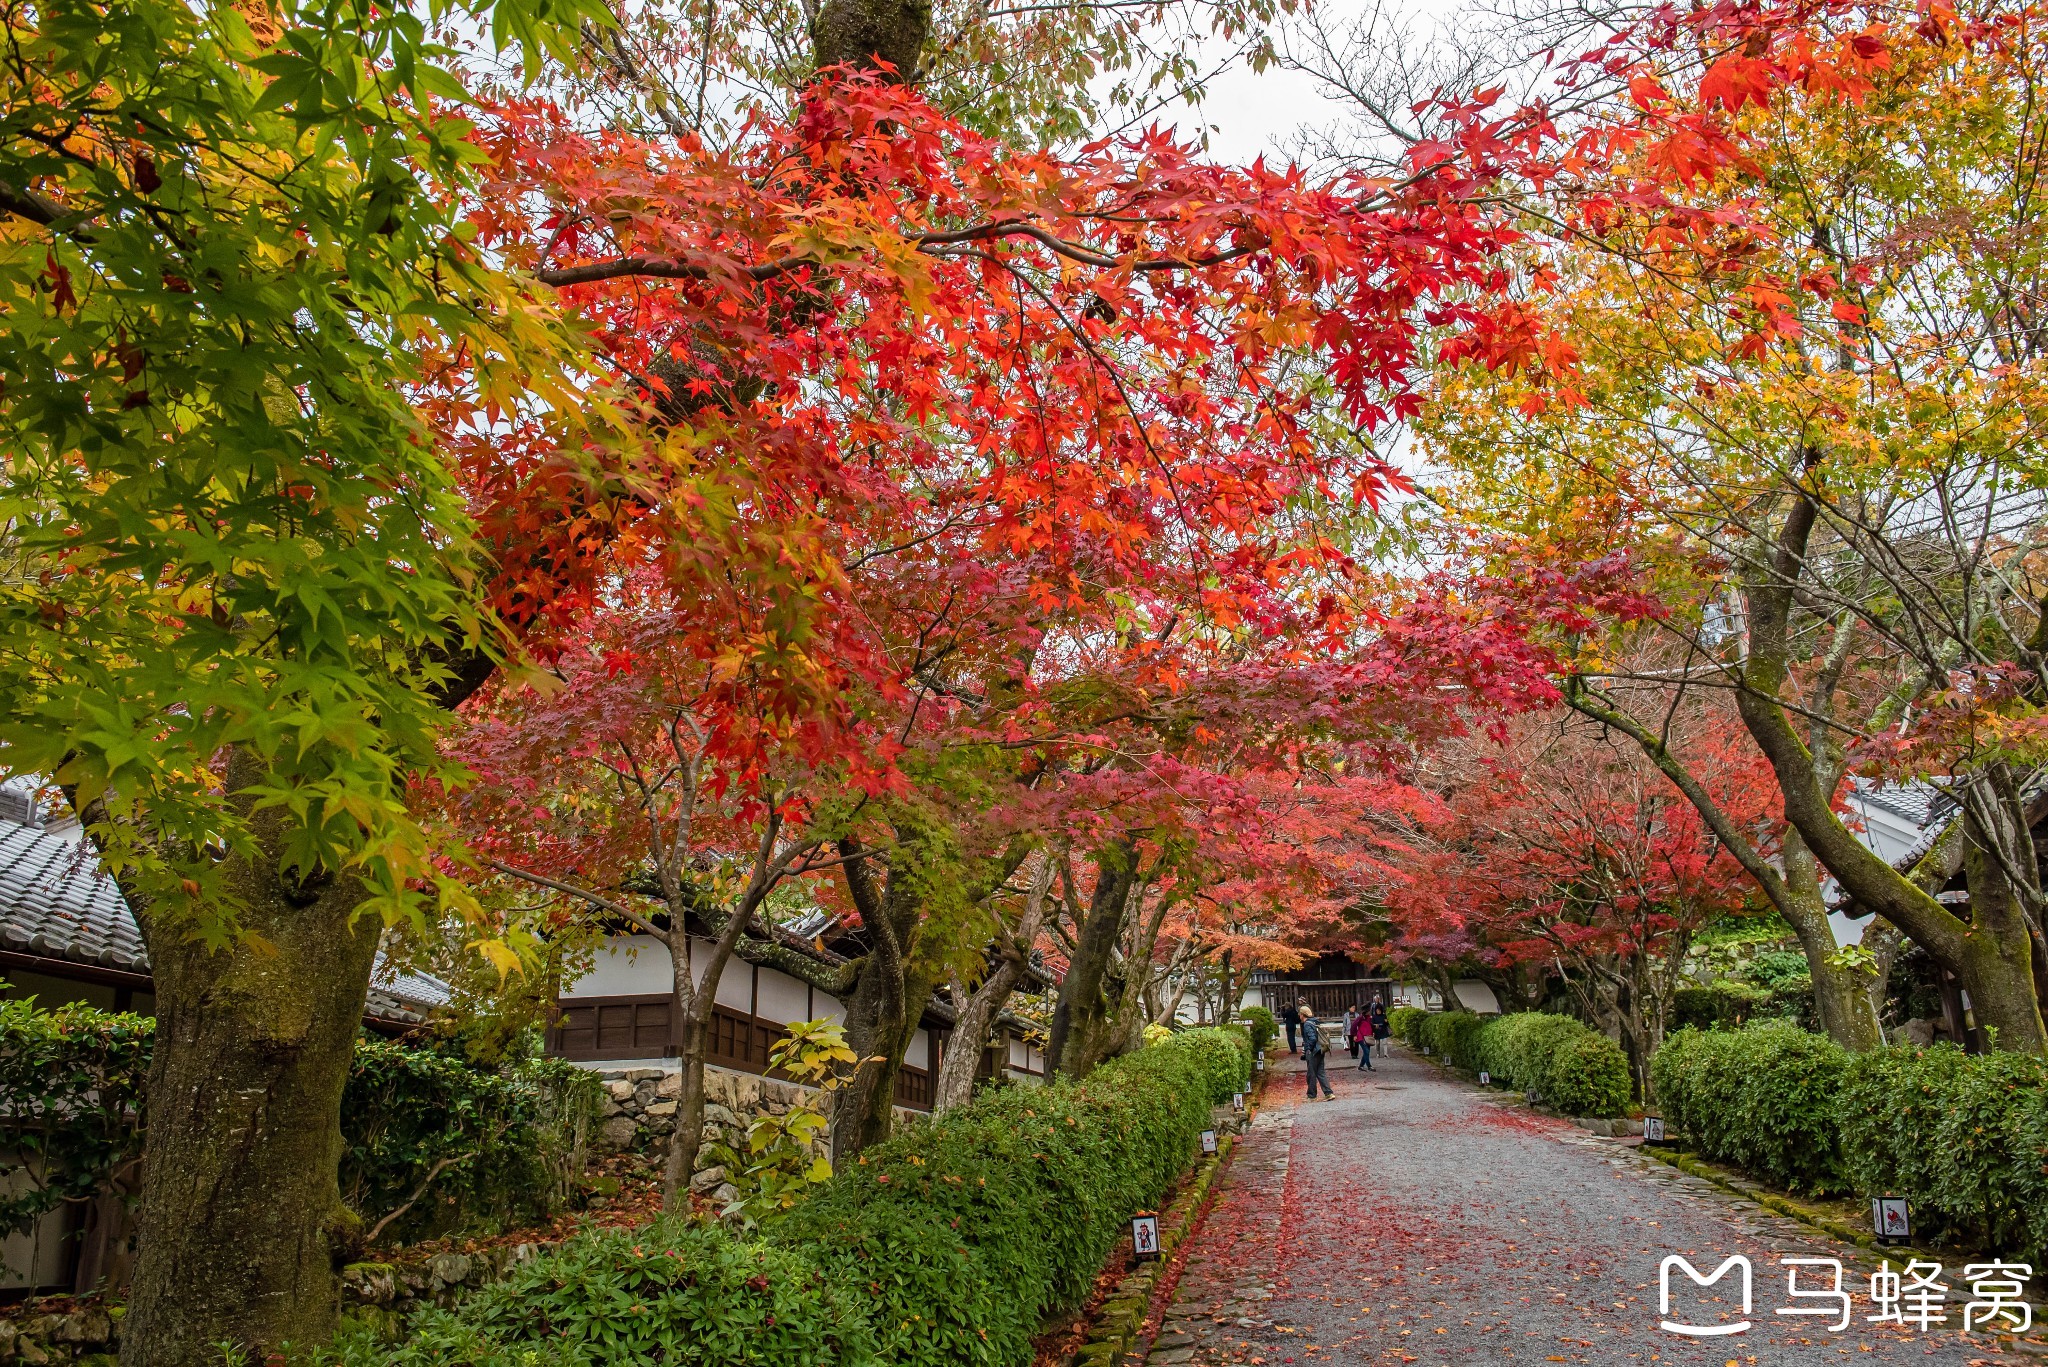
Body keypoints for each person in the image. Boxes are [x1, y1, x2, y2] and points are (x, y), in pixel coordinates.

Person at [1299, 1004, 1334, 1100]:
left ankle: (1312, 1095)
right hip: (1320, 1050)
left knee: (1311, 1073)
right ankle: (1328, 1092)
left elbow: (1312, 1038)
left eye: (1300, 1014)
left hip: (1313, 1051)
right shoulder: (1314, 1022)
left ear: (1302, 1014)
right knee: (1321, 1072)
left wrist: (1308, 1049)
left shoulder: (1307, 1024)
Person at [1351, 1005, 1375, 1071]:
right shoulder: (1360, 1018)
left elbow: (1371, 1026)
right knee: (1366, 1051)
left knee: (1366, 1052)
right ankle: (1369, 1066)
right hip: (1361, 1036)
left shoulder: (1369, 1018)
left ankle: (1361, 1066)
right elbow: (1354, 1025)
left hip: (1368, 1036)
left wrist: (1374, 1029)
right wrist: (1354, 1035)